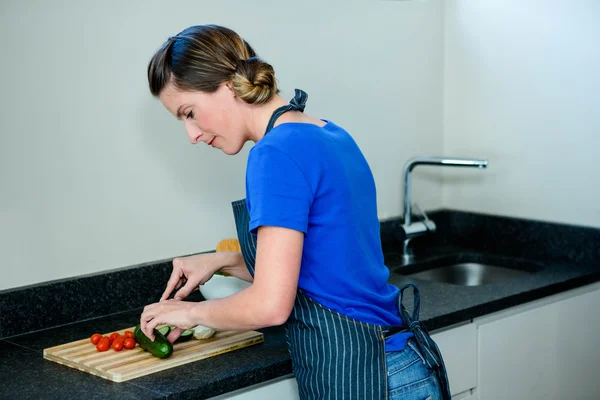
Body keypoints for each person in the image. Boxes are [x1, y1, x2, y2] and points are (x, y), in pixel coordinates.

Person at [140, 24, 449, 400]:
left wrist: (188, 314)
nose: (191, 135)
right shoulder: (327, 133)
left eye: (189, 113)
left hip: (366, 376)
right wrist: (219, 262)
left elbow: (270, 305)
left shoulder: (273, 155)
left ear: (225, 85)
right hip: (402, 366)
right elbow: (325, 264)